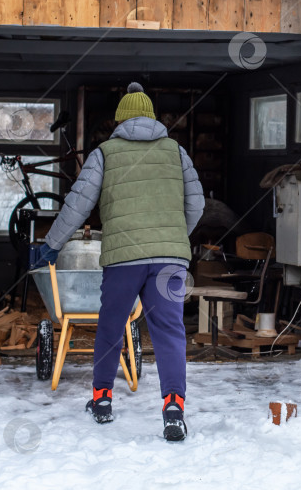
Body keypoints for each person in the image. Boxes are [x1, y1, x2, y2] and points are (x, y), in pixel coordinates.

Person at [33, 82, 204, 441]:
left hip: (124, 260)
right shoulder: (177, 152)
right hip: (170, 260)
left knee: (111, 327)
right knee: (170, 332)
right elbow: (198, 204)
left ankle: (102, 401)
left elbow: (78, 204)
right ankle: (173, 407)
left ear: (119, 121)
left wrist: (52, 244)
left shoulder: (105, 153)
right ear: (154, 118)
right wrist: (173, 236)